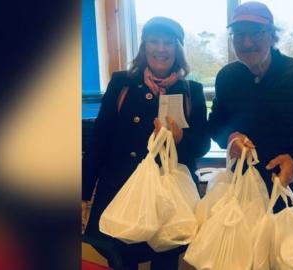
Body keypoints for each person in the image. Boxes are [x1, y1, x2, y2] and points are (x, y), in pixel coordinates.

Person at [82, 17, 210, 270]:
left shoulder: (190, 90)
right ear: (144, 46)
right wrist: (84, 193)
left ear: (178, 49)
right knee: (121, 259)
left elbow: (202, 144)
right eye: (154, 41)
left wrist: (180, 138)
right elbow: (99, 139)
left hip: (168, 200)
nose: (160, 49)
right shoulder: (122, 84)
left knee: (165, 261)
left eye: (168, 43)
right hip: (122, 194)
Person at [208, 2, 293, 208]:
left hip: (290, 191)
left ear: (271, 34)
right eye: (238, 35)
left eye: (256, 33)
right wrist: (231, 138)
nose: (247, 42)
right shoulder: (226, 77)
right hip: (242, 193)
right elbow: (216, 125)